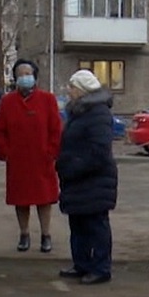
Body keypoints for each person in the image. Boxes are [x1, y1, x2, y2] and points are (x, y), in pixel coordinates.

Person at [56, 69, 118, 285]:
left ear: (81, 90)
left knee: (95, 226)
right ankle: (81, 264)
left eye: (71, 87)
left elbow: (99, 151)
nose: (68, 91)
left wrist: (72, 167)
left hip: (93, 180)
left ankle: (100, 268)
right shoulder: (79, 112)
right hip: (79, 179)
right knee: (79, 224)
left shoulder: (98, 113)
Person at [0, 59, 61, 253]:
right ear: (15, 78)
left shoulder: (47, 99)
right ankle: (24, 234)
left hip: (42, 159)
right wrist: (5, 152)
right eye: (20, 74)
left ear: (35, 76)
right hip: (18, 161)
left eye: (27, 73)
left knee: (44, 199)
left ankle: (46, 235)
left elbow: (56, 129)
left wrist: (51, 151)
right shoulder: (7, 101)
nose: (24, 77)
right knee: (21, 200)